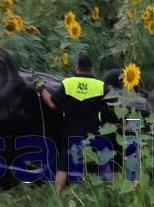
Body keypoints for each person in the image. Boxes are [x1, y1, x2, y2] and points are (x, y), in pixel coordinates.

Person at [34, 52, 109, 195]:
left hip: (71, 135)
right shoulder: (100, 86)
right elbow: (110, 108)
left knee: (64, 167)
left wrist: (40, 87)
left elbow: (52, 103)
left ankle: (58, 198)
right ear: (91, 69)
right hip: (92, 135)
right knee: (100, 164)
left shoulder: (68, 84)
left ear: (76, 67)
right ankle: (104, 196)